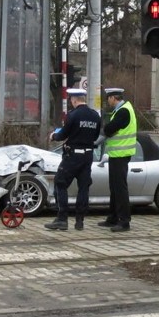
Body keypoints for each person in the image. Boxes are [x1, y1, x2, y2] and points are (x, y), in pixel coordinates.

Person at [44, 88, 102, 231]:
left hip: (72, 156)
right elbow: (95, 136)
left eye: (71, 99)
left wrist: (53, 136)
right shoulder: (95, 115)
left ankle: (62, 219)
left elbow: (63, 134)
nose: (71, 102)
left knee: (60, 182)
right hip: (88, 156)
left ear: (74, 100)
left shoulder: (73, 115)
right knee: (83, 187)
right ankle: (79, 221)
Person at [98, 87, 137, 232]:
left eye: (108, 98)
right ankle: (113, 217)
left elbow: (110, 129)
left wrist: (104, 129)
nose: (108, 101)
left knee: (120, 189)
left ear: (114, 98)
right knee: (114, 188)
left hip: (121, 155)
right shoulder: (121, 110)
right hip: (116, 155)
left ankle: (124, 221)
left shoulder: (123, 111)